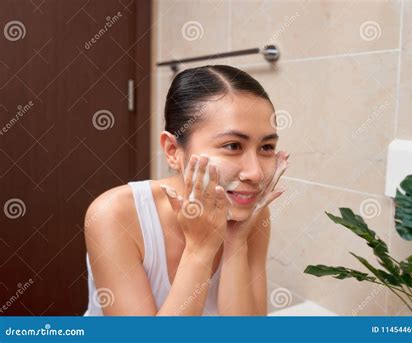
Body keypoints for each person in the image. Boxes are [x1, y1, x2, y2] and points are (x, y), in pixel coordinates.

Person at [83, 65, 290, 316]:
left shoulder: (252, 214)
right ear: (172, 150)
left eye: (266, 147)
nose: (255, 173)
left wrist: (236, 239)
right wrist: (199, 249)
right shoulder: (115, 215)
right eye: (233, 145)